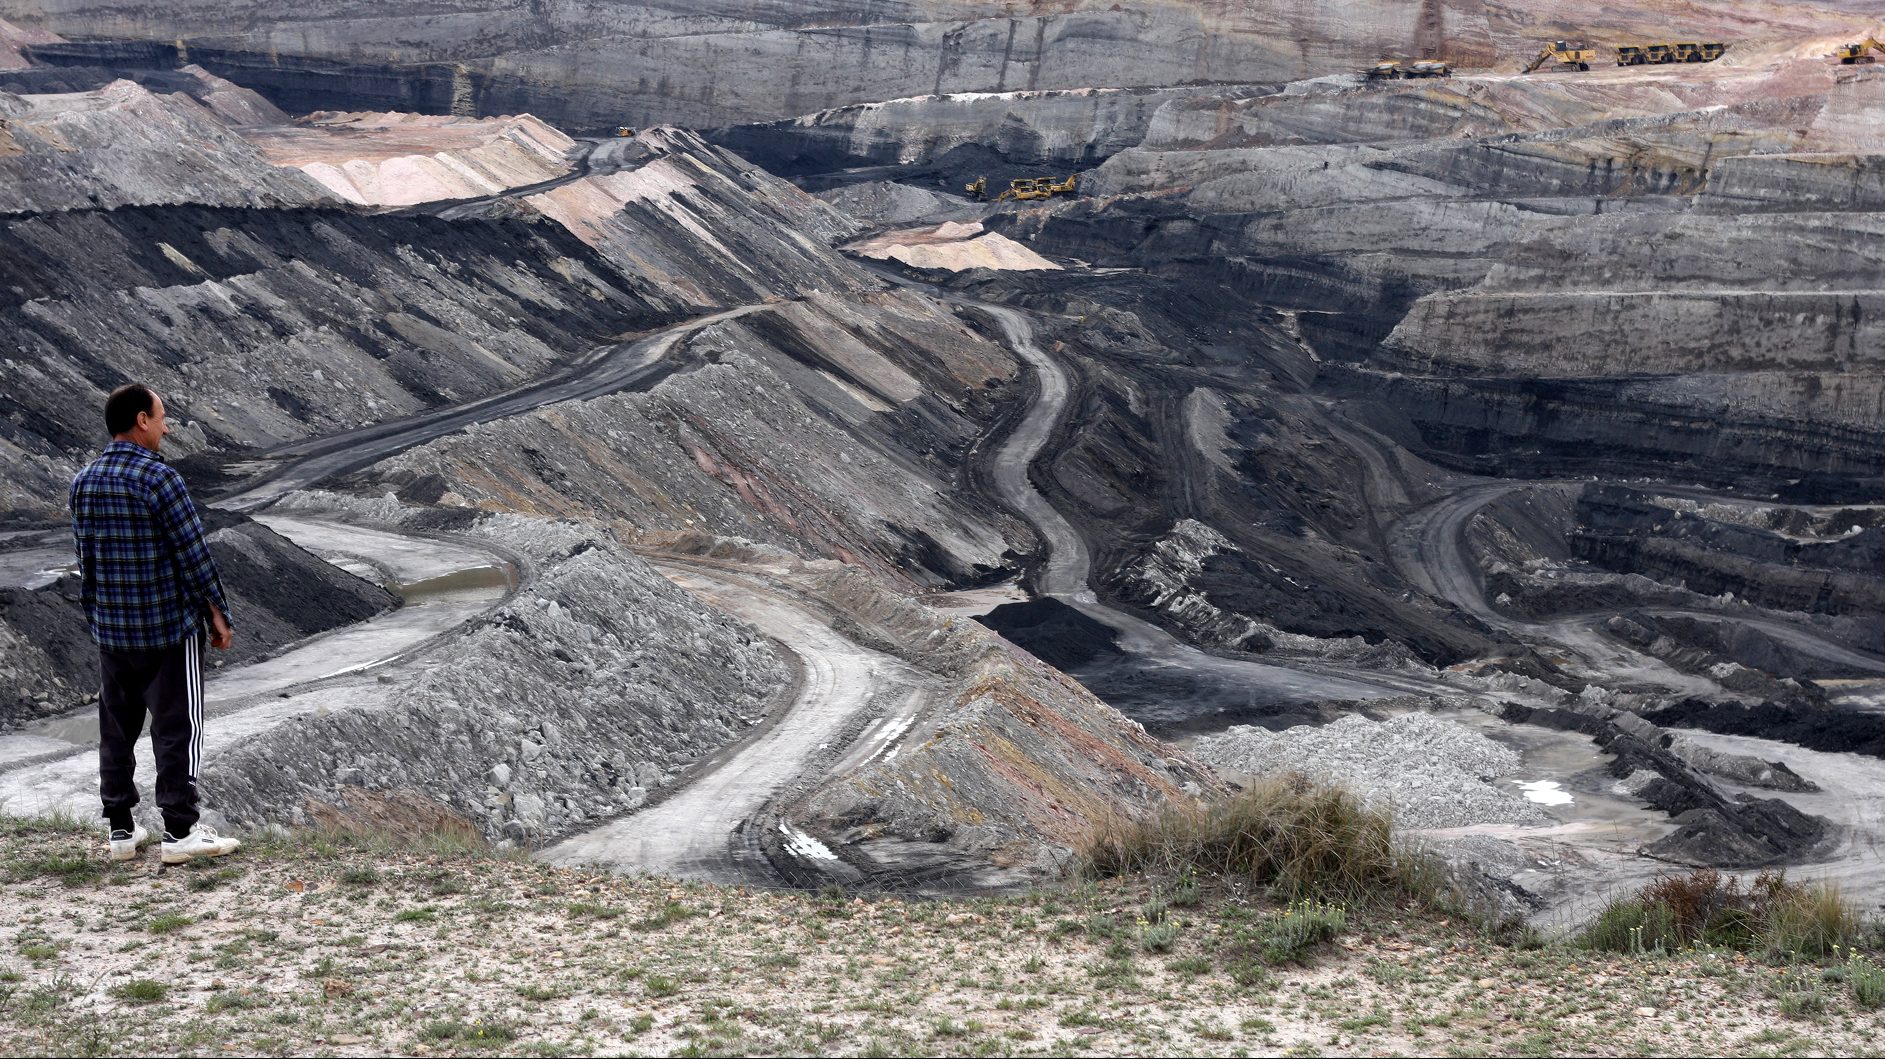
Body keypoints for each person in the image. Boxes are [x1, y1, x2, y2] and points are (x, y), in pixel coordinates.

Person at [69, 383, 242, 866]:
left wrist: (97, 617)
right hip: (166, 629)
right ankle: (181, 833)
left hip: (112, 630)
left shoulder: (83, 481)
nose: (167, 427)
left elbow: (86, 560)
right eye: (162, 417)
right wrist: (218, 613)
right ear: (141, 420)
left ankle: (121, 831)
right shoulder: (159, 479)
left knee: (116, 728)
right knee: (177, 727)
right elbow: (193, 553)